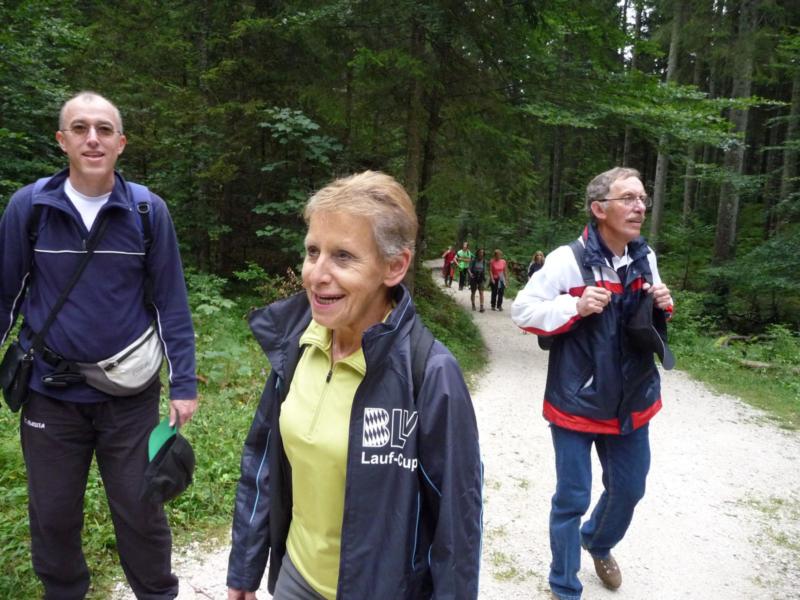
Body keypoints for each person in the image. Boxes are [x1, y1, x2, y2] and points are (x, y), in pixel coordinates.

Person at [226, 171, 482, 600]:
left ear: (394, 266)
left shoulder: (430, 373)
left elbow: (458, 523)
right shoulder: (298, 346)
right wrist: (244, 569)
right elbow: (262, 465)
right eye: (313, 251)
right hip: (296, 581)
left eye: (342, 256)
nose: (316, 274)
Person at [0, 91, 197, 598]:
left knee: (141, 509)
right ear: (62, 140)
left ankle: (157, 594)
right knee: (53, 515)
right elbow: (6, 296)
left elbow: (170, 302)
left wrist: (184, 383)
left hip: (129, 399)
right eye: (81, 128)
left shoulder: (148, 211)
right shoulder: (30, 208)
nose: (93, 139)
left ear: (121, 143)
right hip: (49, 394)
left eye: (104, 129)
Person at [511, 167, 673, 600]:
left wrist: (661, 304)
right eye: (628, 198)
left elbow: (646, 320)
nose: (639, 207)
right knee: (572, 497)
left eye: (642, 198)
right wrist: (575, 306)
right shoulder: (568, 260)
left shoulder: (645, 257)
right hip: (576, 400)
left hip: (633, 397)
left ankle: (597, 542)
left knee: (630, 488)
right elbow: (523, 311)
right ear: (599, 209)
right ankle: (565, 586)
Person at [468, 247, 488, 312]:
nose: (481, 254)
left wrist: (485, 278)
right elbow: (468, 269)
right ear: (477, 253)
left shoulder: (484, 261)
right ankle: (473, 305)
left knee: (481, 292)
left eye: (482, 253)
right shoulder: (473, 260)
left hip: (481, 277)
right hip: (474, 277)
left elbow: (485, 270)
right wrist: (470, 274)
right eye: (480, 252)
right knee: (473, 292)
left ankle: (481, 307)